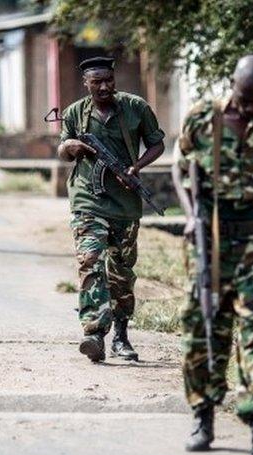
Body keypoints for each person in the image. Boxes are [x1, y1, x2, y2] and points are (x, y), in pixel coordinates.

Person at [172, 55, 253, 455]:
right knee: (204, 326)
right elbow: (180, 167)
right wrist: (191, 215)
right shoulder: (202, 118)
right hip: (209, 239)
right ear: (232, 85)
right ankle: (203, 414)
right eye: (246, 99)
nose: (251, 109)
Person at [57, 56, 165, 363]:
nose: (104, 87)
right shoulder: (76, 112)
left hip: (126, 203)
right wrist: (72, 147)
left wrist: (136, 167)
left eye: (109, 80)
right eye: (97, 82)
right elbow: (62, 148)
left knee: (121, 272)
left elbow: (157, 144)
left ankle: (120, 334)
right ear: (86, 84)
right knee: (91, 261)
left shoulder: (135, 108)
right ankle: (93, 332)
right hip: (87, 199)